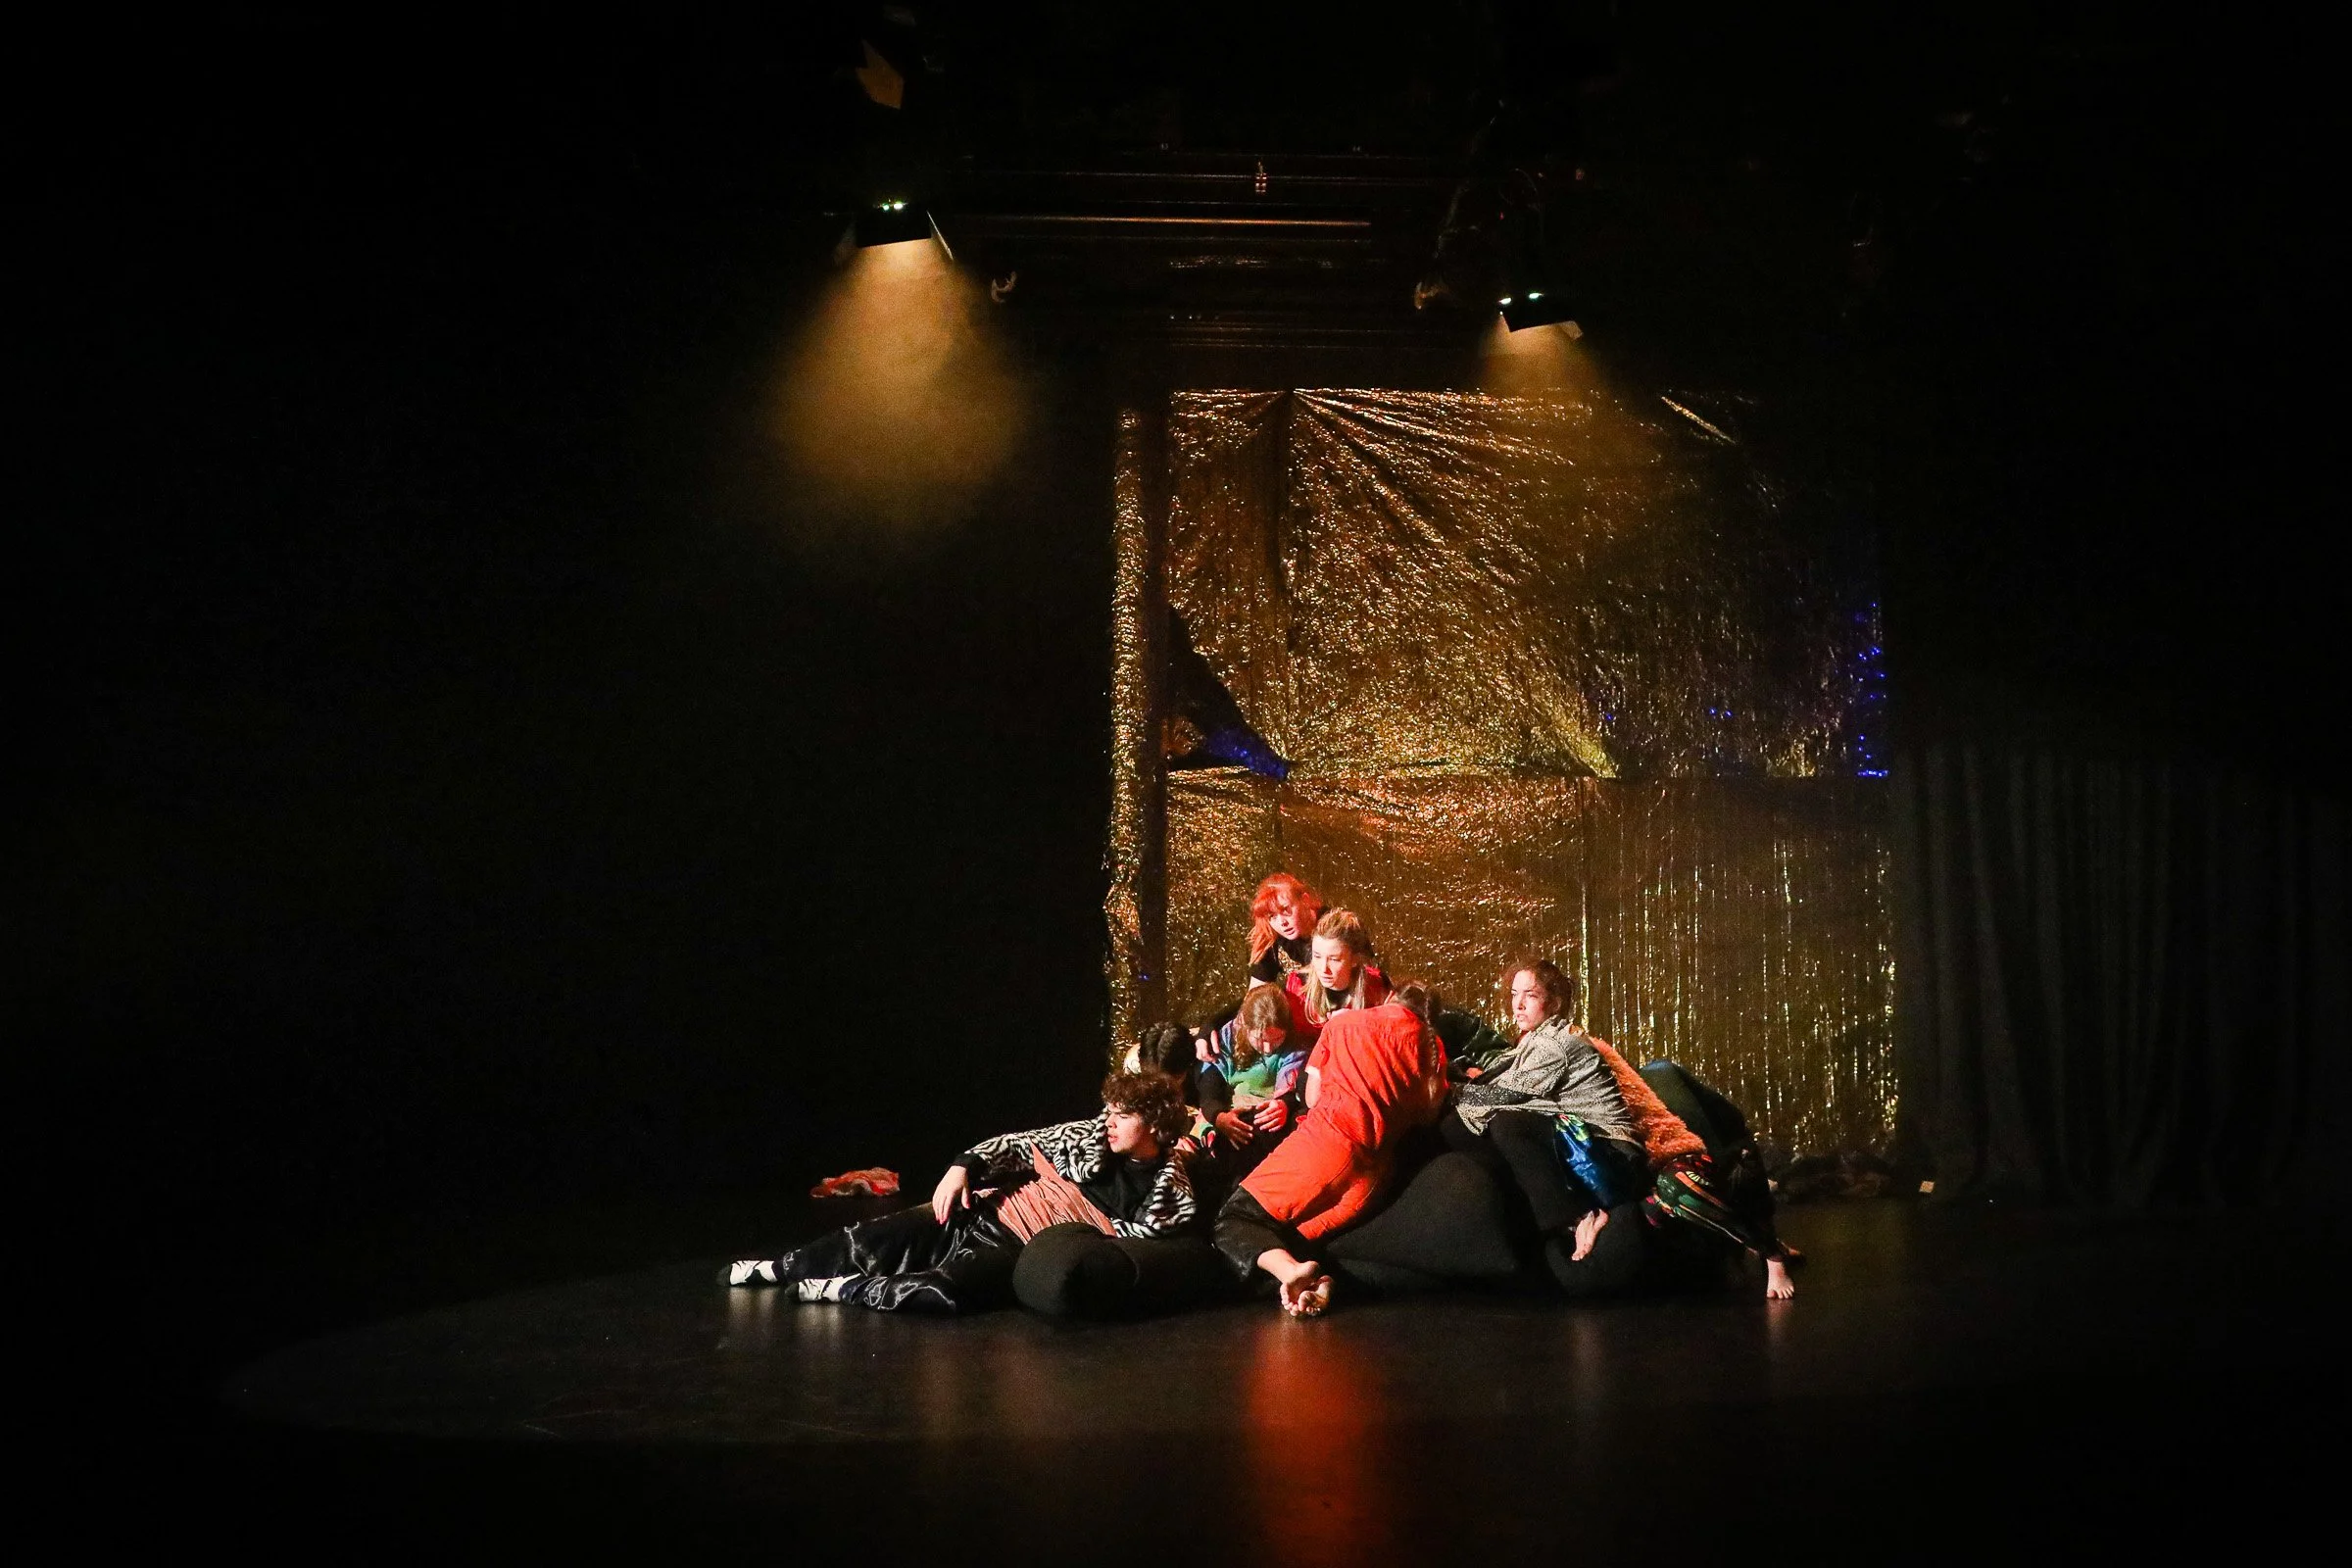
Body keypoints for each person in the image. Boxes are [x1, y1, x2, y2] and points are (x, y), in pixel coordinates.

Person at [724, 1072, 1196, 1313]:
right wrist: (961, 1167)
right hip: (985, 1210)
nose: (1108, 1122)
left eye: (1122, 1116)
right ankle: (778, 1268)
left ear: (1155, 1125)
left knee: (944, 1292)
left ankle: (843, 1289)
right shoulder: (1087, 1136)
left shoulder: (1166, 1194)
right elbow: (1016, 1144)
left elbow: (1138, 1249)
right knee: (873, 1237)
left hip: (1017, 1249)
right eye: (1108, 1111)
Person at [1213, 982, 1450, 1316]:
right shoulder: (1432, 1045)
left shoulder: (1345, 1023)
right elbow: (1428, 1113)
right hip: (1373, 1178)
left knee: (1234, 1219)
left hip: (1325, 1150)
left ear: (1390, 998)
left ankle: (1292, 1273)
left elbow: (1312, 1097)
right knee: (1288, 1242)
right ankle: (1316, 1283)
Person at [1439, 958, 1645, 1262]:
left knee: (1510, 1123)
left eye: (1531, 995)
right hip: (1582, 1145)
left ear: (1554, 1003)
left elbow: (1507, 1093)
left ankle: (1578, 1217)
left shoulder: (1555, 1044)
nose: (1518, 1004)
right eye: (1514, 994)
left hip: (1611, 1158)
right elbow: (1496, 1080)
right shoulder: (1534, 1039)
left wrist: (1447, 1091)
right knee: (1461, 1127)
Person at [1283, 906, 1393, 1050]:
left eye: (1334, 960)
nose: (1323, 969)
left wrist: (1357, 1022)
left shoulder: (1376, 985)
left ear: (1354, 960)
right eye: (1317, 956)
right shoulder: (1298, 986)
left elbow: (1389, 1037)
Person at [1246, 871, 1326, 985]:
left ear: (1305, 900)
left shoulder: (1337, 928)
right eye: (1272, 916)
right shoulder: (1271, 939)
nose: (1282, 922)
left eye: (1285, 910)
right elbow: (1255, 991)